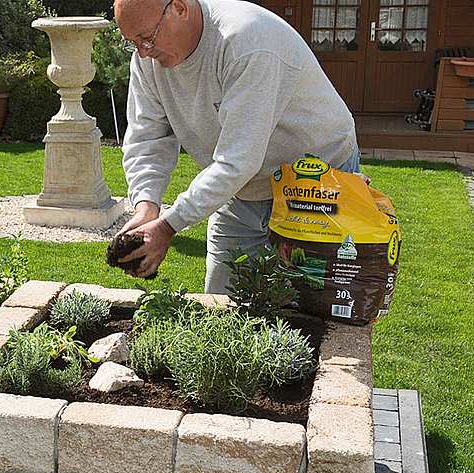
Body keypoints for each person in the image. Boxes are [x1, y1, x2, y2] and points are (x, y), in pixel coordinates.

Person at [113, 0, 360, 293]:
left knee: (312, 308)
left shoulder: (247, 42)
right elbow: (148, 138)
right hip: (241, 190)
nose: (143, 53)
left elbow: (238, 160)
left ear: (179, 7)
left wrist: (168, 226)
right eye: (132, 43)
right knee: (221, 305)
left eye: (147, 38)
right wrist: (146, 206)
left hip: (316, 183)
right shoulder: (147, 62)